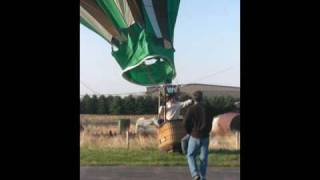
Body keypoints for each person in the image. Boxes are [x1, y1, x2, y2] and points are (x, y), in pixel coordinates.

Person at [183, 91, 212, 180]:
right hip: (205, 136)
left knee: (190, 155)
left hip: (194, 136)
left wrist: (189, 132)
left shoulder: (191, 109)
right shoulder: (208, 108)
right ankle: (202, 177)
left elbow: (185, 122)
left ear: (194, 99)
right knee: (203, 158)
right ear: (202, 98)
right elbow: (219, 111)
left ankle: (195, 174)